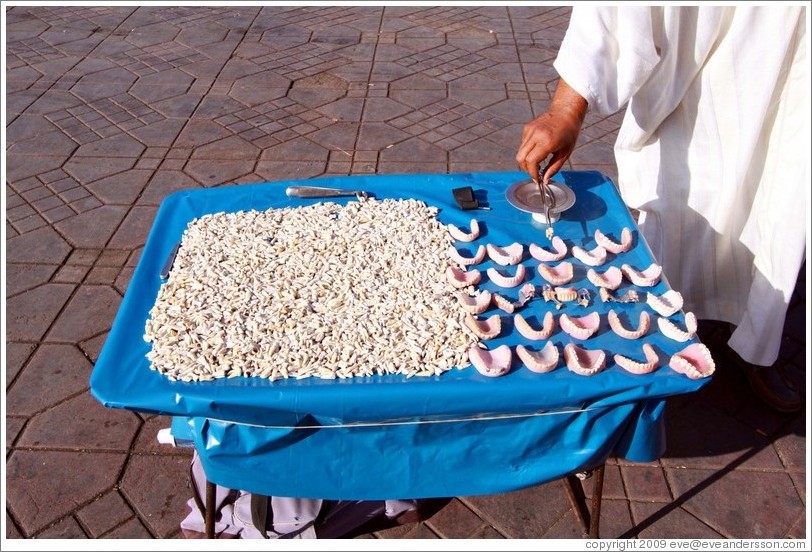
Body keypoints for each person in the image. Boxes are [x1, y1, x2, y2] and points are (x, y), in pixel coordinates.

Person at [516, 6, 807, 412]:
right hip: (699, 97)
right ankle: (655, 342)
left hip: (797, 98)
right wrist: (566, 108)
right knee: (679, 216)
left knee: (780, 223)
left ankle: (757, 344)